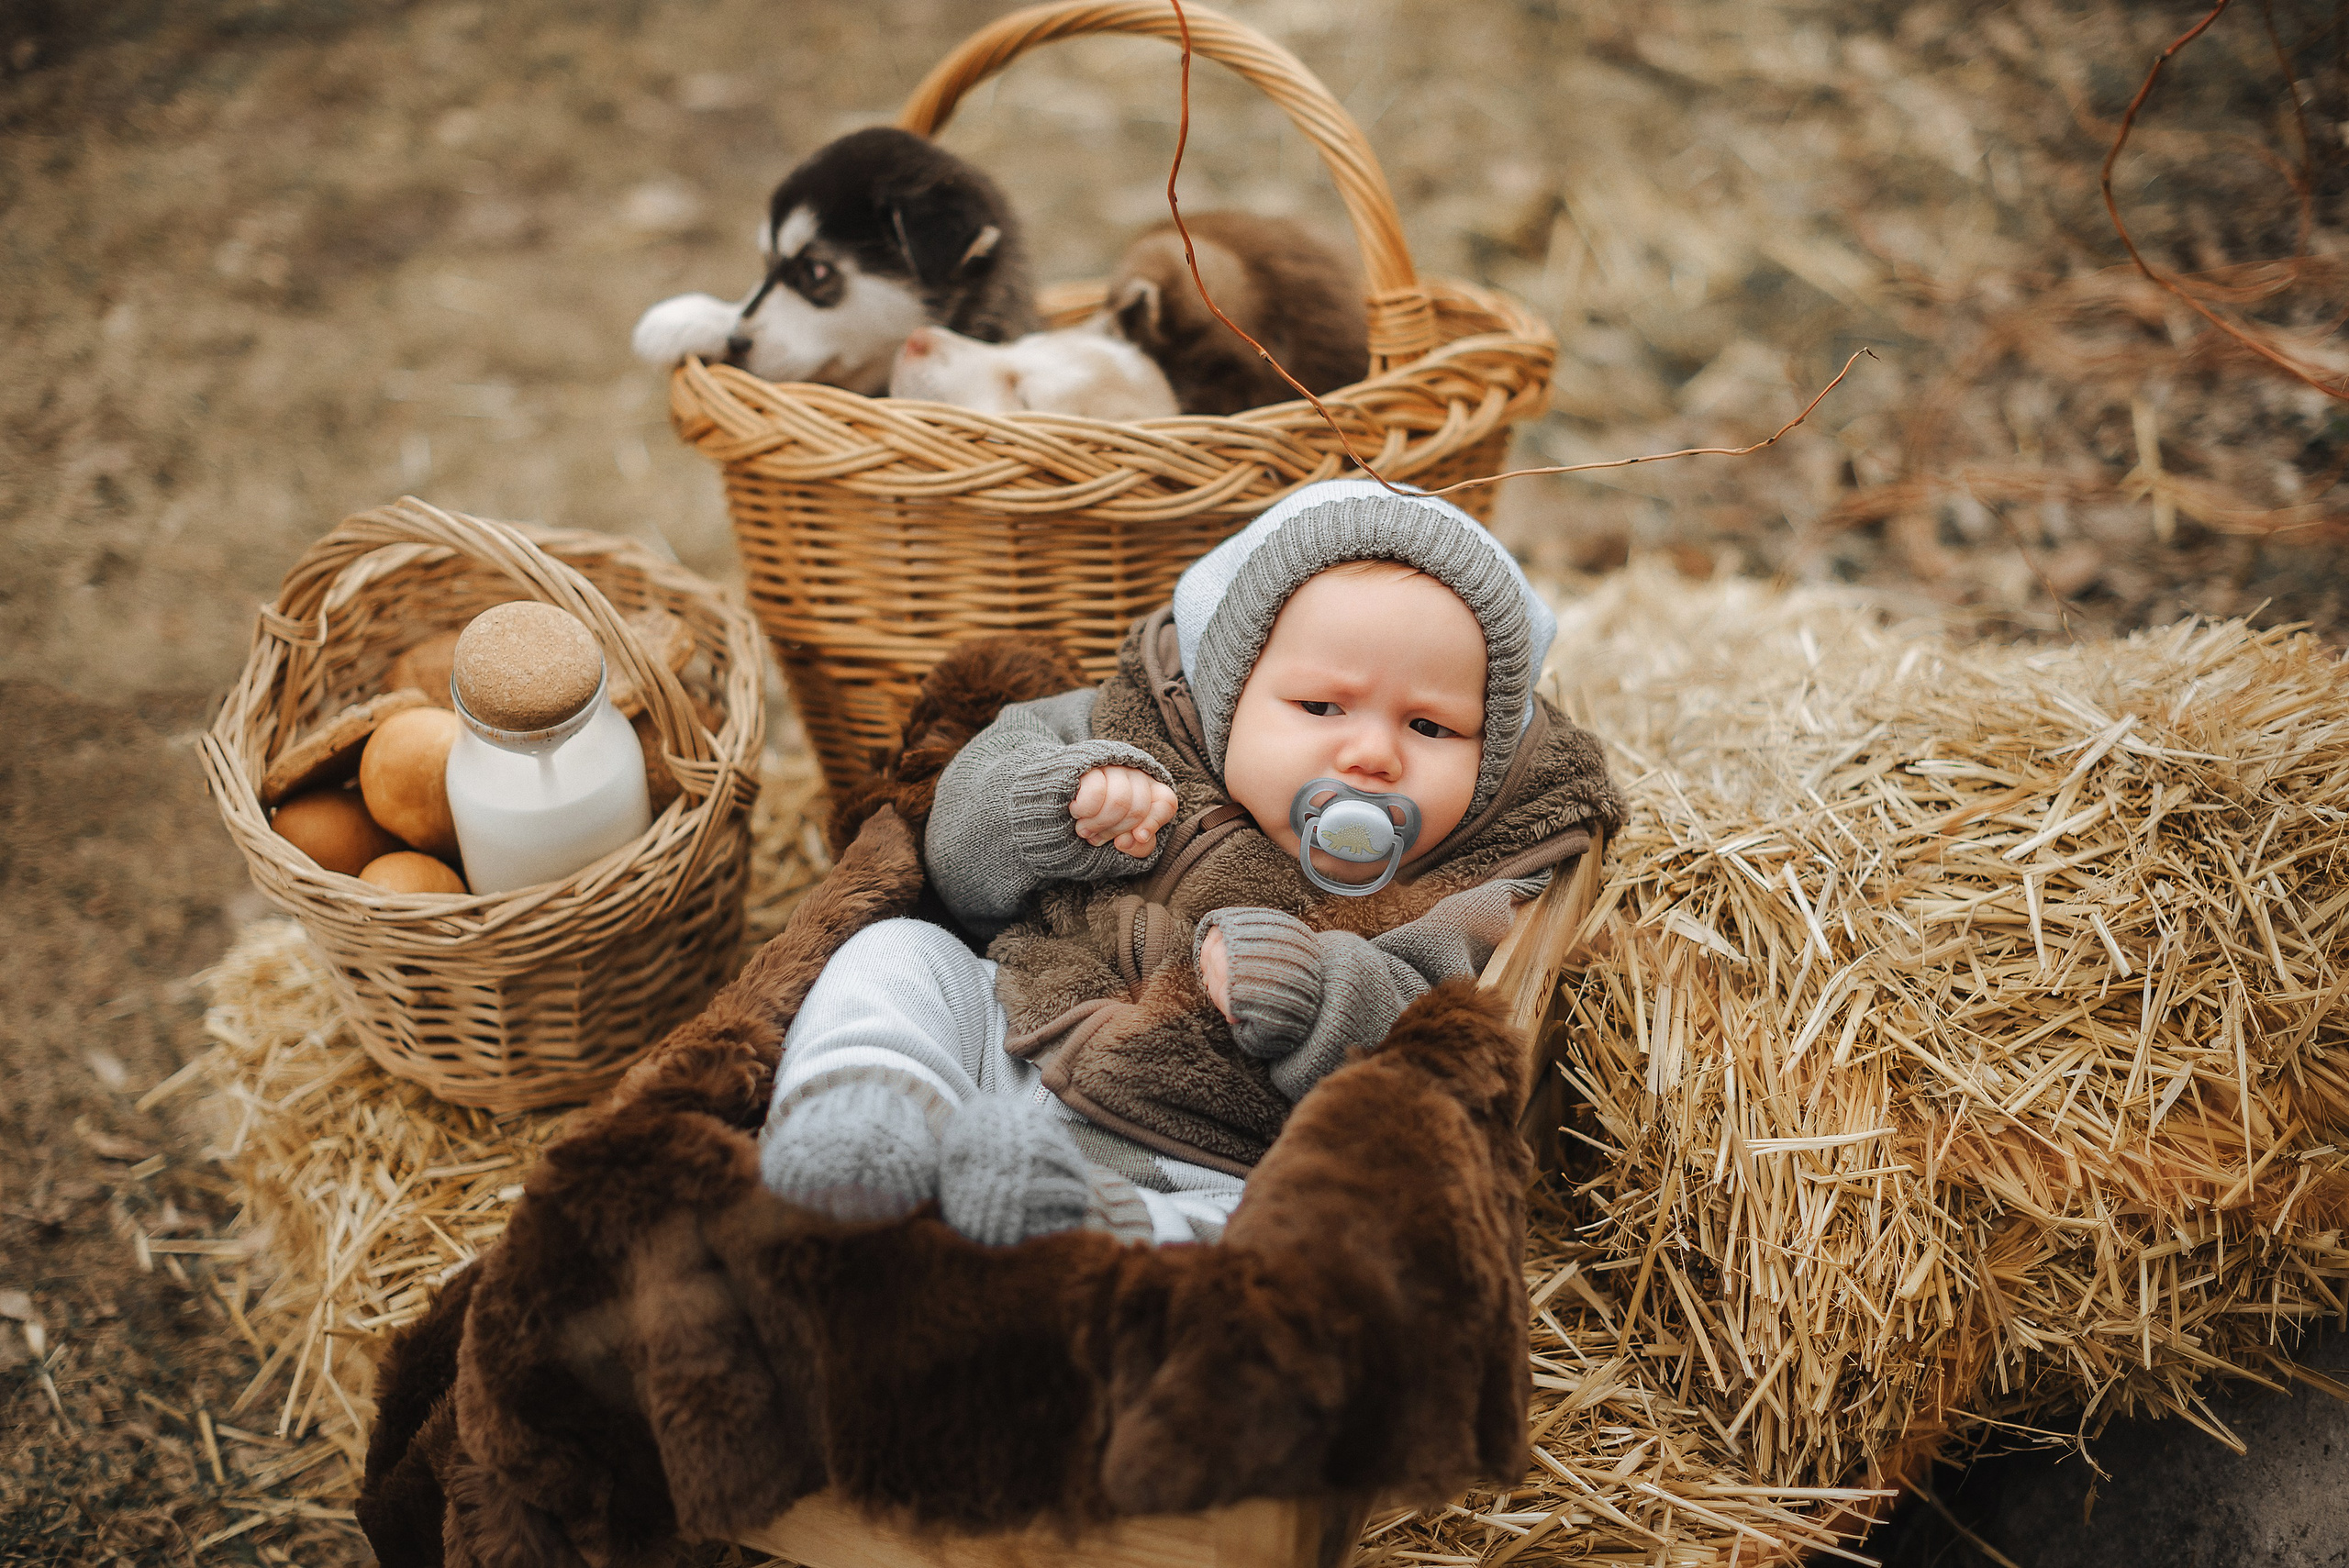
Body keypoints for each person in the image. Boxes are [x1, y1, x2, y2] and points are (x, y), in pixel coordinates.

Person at [759, 479, 1623, 1245]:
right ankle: (864, 1115)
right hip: (1015, 1038)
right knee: (902, 956)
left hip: (1215, 1150)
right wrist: (1050, 805)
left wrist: (1316, 992)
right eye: (1321, 704)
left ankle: (1091, 1234)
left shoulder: (1471, 879)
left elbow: (1437, 1043)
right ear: (1225, 689)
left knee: (1315, 1226)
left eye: (1430, 727)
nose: (1372, 754)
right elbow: (956, 867)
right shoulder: (1117, 732)